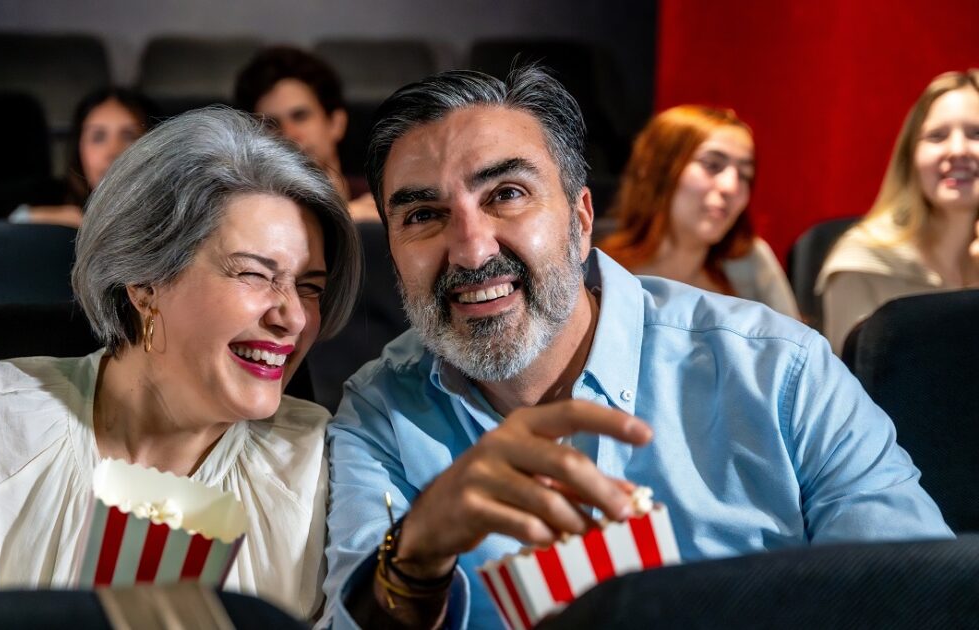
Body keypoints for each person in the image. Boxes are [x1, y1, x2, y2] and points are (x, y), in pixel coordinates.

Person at [322, 67, 951, 629]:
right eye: (422, 215)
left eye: (506, 194)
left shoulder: (781, 373)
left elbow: (924, 598)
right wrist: (416, 557)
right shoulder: (381, 414)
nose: (471, 249)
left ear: (581, 219)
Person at [0, 108, 362, 621]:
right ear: (145, 282)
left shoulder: (325, 465)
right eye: (254, 274)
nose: (294, 317)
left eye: (310, 287)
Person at [817, 69, 979, 354]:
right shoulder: (861, 264)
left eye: (976, 133)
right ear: (910, 157)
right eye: (937, 136)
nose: (958, 150)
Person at [600, 105, 798, 318]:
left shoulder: (749, 260)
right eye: (712, 165)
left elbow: (794, 337)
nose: (731, 187)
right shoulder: (596, 264)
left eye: (744, 175)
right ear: (657, 169)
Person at [235, 46, 380, 223]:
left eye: (300, 116)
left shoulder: (382, 199)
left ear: (336, 123)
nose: (288, 134)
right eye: (271, 124)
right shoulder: (241, 214)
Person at [9, 87, 159, 228]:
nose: (112, 152)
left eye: (129, 136)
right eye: (98, 137)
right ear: (79, 147)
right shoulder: (48, 198)